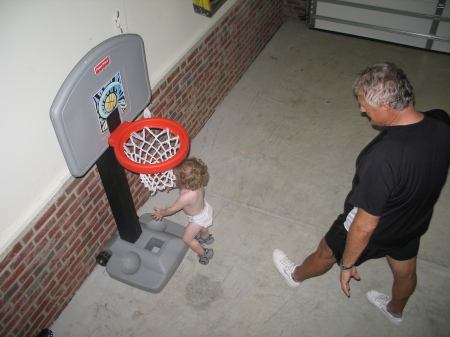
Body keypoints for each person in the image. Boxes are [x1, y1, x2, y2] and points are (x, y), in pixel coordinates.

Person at [273, 62, 450, 326]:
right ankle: (395, 310)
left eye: (366, 106)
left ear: (388, 107)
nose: (362, 110)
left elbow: (364, 226)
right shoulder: (441, 121)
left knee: (325, 252)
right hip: (412, 222)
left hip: (374, 229)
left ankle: (295, 276)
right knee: (405, 274)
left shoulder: (383, 158)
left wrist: (346, 265)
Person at [152, 157, 215, 264]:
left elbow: (172, 209)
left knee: (187, 239)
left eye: (178, 178)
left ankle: (204, 253)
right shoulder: (197, 182)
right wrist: (172, 185)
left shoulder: (185, 197)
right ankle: (206, 237)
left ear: (184, 183)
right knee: (204, 226)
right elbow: (183, 183)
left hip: (197, 219)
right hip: (205, 210)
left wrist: (161, 212)